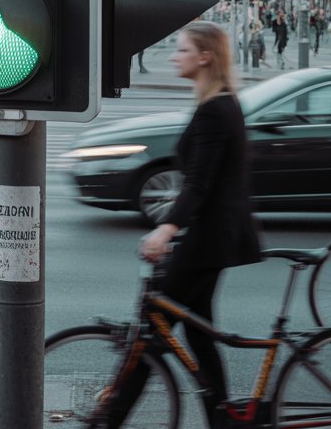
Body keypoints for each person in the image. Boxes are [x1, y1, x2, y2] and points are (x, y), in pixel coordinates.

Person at [108, 22, 263, 428]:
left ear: (205, 57)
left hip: (210, 238)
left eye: (182, 50)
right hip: (215, 235)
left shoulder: (216, 109)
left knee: (150, 339)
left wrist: (166, 229)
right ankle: (223, 416)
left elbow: (198, 184)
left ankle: (109, 419)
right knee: (199, 333)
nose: (175, 56)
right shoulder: (218, 102)